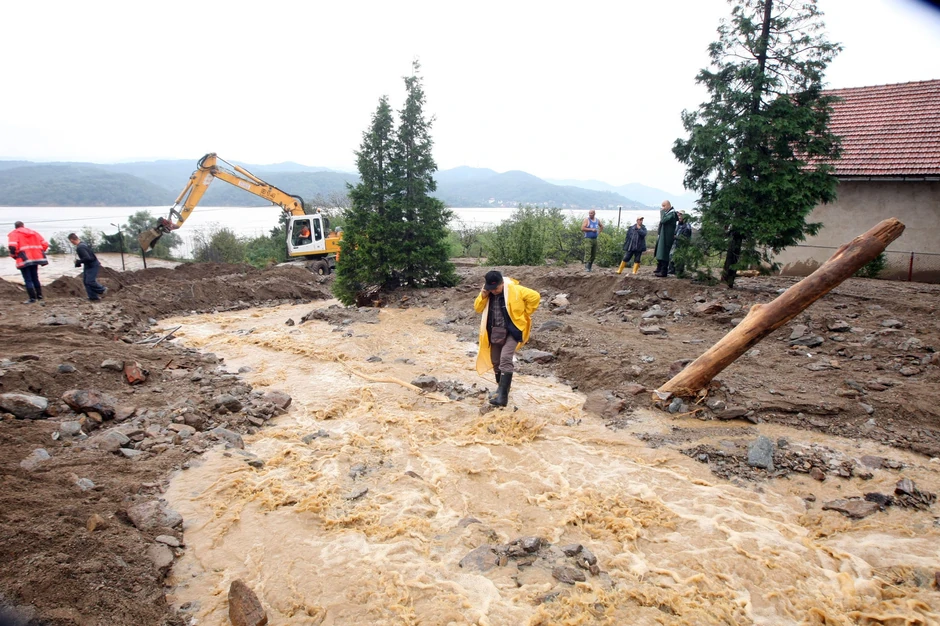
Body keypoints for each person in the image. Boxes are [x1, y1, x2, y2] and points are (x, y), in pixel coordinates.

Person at [474, 270, 541, 407]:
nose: (494, 291)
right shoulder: (488, 293)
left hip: (512, 331)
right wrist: (483, 295)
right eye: (491, 289)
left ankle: (503, 398)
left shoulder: (515, 290)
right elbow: (478, 308)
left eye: (496, 288)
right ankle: (501, 390)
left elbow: (535, 296)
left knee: (505, 358)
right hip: (495, 331)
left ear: (502, 283)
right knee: (495, 360)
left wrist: (524, 313)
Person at [7, 221, 49, 304]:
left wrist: (14, 255)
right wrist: (38, 252)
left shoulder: (14, 233)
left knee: (28, 279)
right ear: (23, 225)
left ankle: (32, 298)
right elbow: (45, 244)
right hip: (36, 258)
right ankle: (39, 296)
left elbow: (12, 247)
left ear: (15, 227)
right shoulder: (34, 232)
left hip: (23, 258)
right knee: (35, 278)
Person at [68, 233, 107, 301]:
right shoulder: (83, 244)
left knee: (90, 281)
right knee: (86, 281)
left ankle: (102, 289)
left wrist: (78, 262)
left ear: (72, 240)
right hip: (89, 264)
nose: (71, 243)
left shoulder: (80, 247)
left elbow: (87, 258)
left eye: (70, 241)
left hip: (92, 265)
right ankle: (93, 297)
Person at [653, 201, 678, 277]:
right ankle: (660, 269)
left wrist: (662, 212)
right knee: (660, 252)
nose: (662, 208)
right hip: (663, 236)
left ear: (668, 205)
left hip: (667, 238)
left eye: (664, 206)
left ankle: (663, 271)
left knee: (664, 254)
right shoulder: (669, 214)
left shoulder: (672, 214)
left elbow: (663, 220)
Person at [668, 212, 693, 276]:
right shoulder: (678, 225)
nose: (679, 217)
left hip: (682, 245)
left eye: (681, 215)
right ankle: (671, 270)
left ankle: (679, 272)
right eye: (678, 216)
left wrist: (675, 237)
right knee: (671, 256)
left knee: (680, 258)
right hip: (675, 244)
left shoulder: (687, 226)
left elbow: (685, 238)